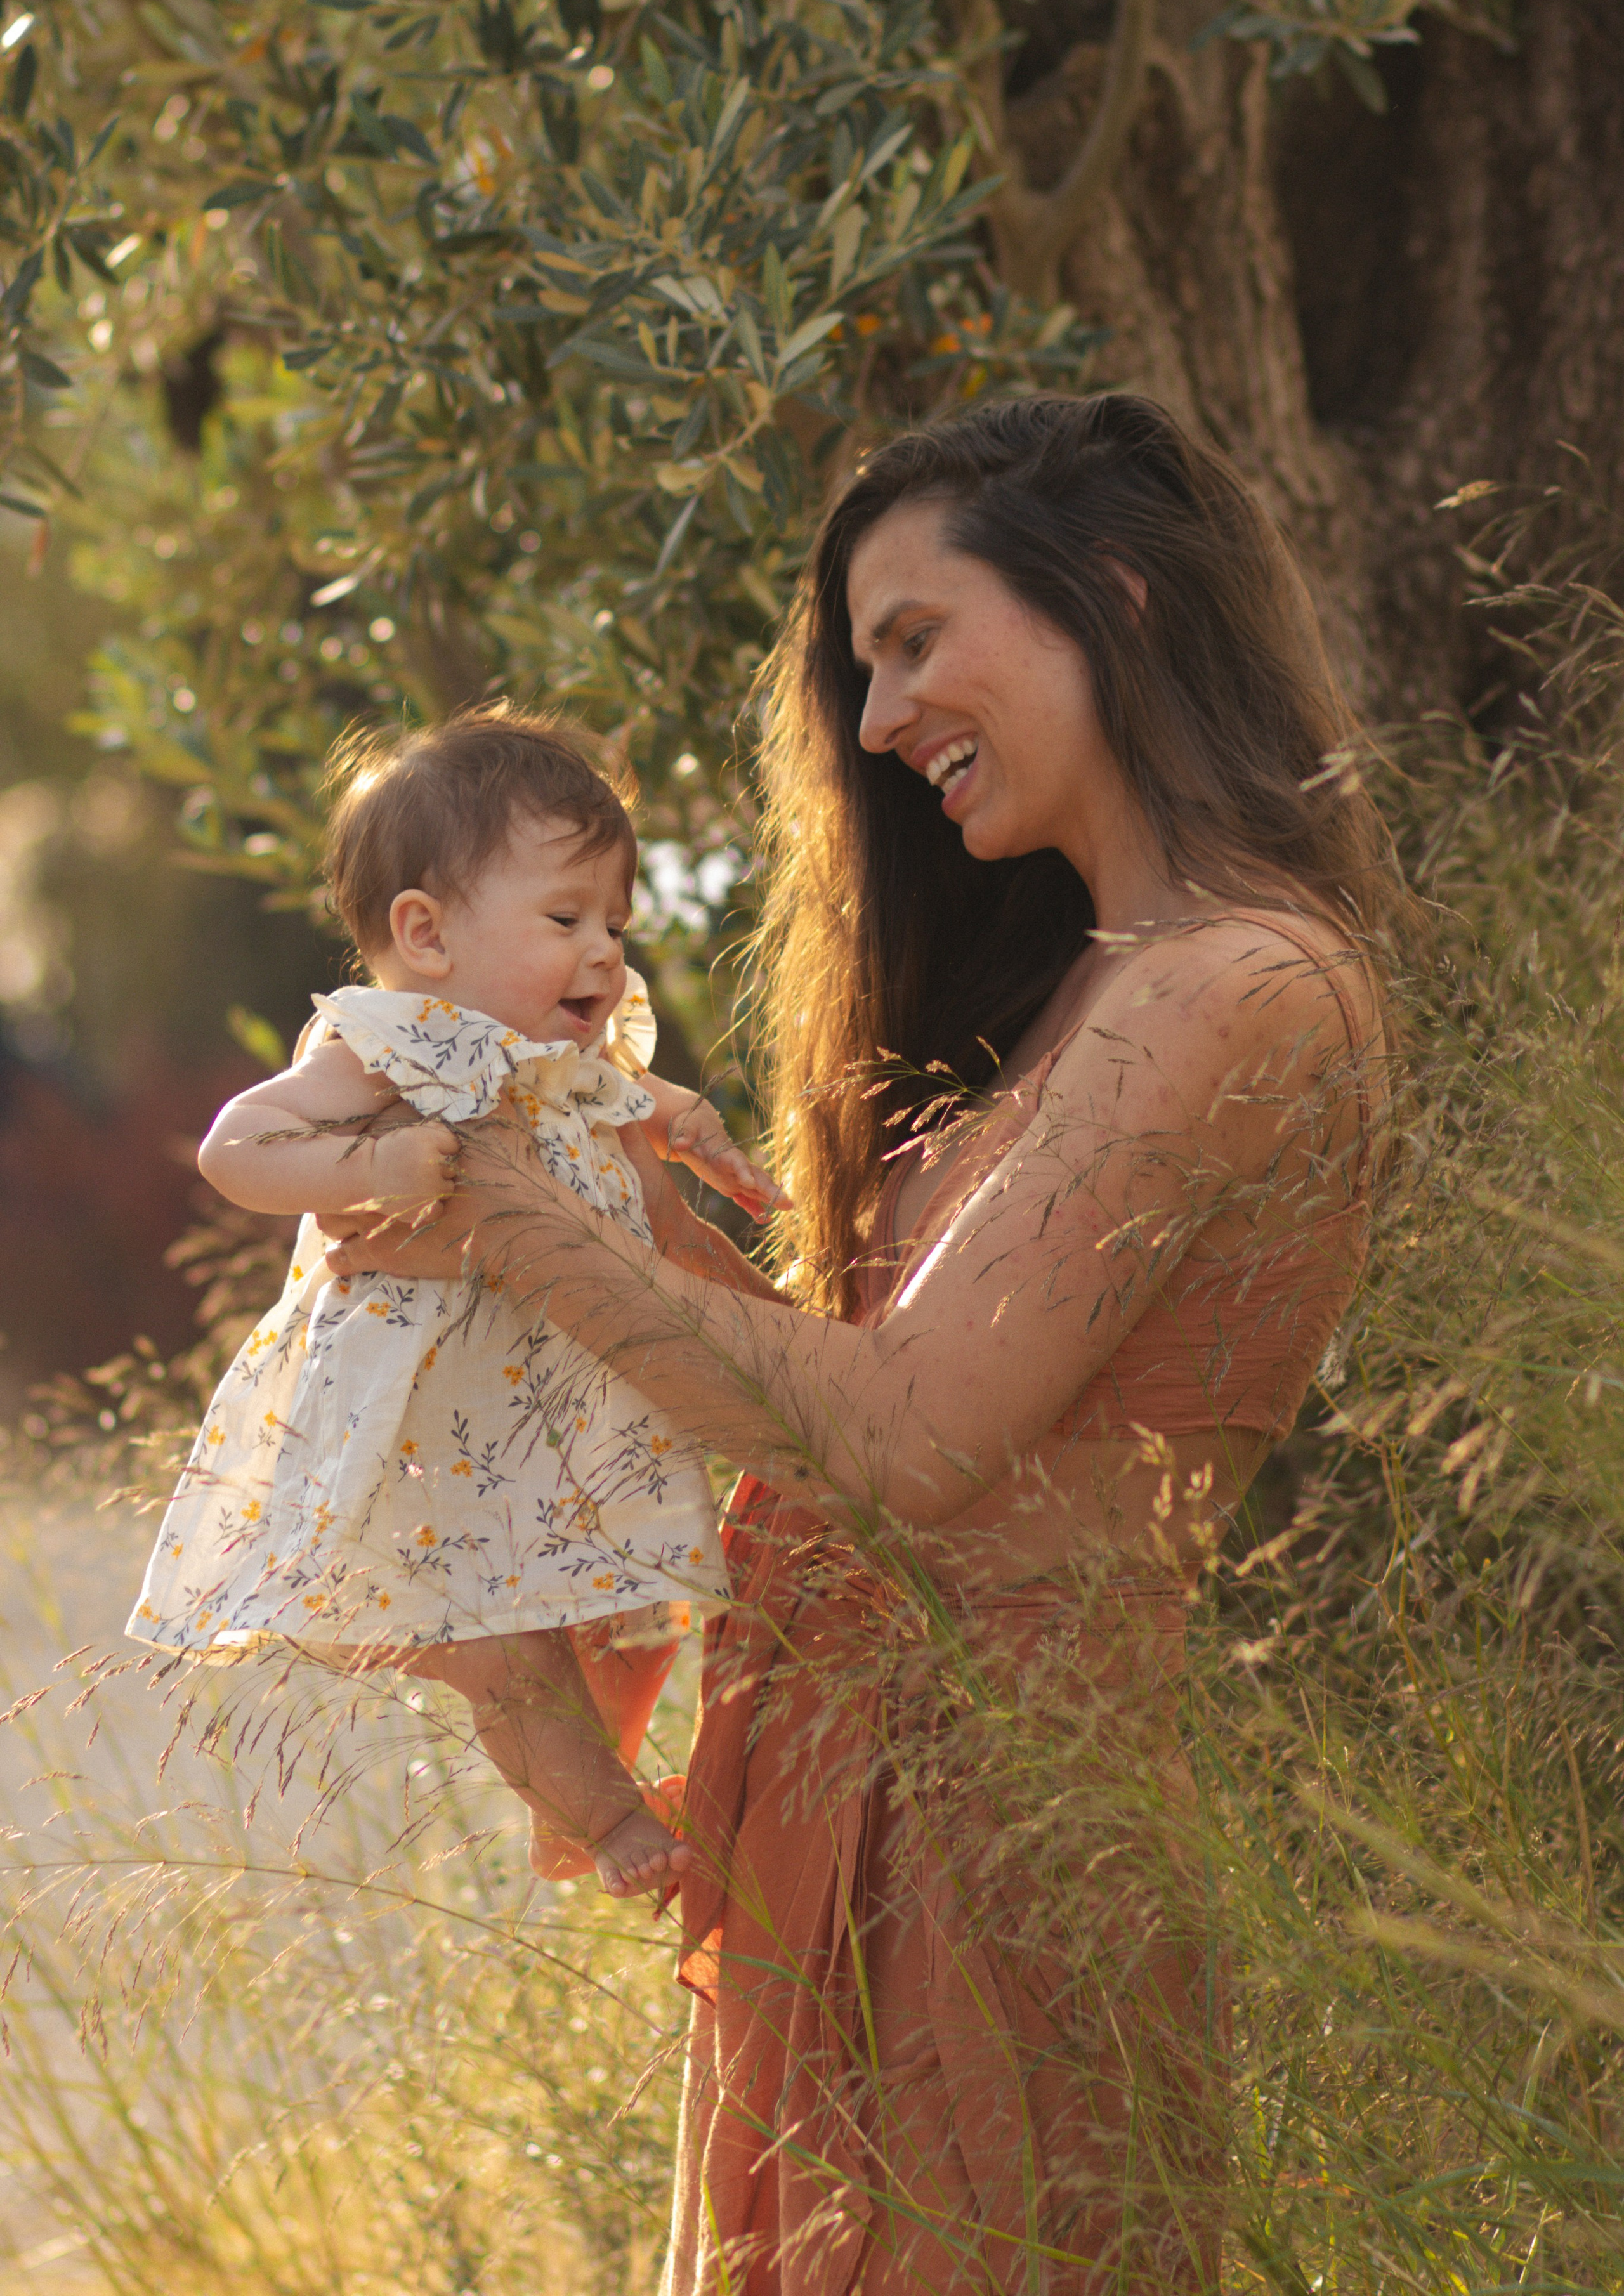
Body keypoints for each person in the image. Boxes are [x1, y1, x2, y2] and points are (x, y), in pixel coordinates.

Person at [324, 394, 1401, 2292]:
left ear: (1120, 599)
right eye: (864, 666)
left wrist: (492, 1192)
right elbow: (827, 1400)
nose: (881, 719)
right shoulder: (1085, 989)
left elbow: (907, 1444)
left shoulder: (1245, 981)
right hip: (841, 1808)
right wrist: (604, 1180)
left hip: (1004, 1838)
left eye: (914, 641)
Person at [127, 707, 783, 1896]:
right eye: (566, 919)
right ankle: (606, 1816)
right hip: (434, 1435)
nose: (604, 954)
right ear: (423, 934)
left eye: (616, 925)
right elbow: (240, 1145)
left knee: (629, 1610)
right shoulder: (387, 1047)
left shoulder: (557, 1054)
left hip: (556, 1411)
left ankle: (583, 1790)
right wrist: (371, 1169)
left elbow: (624, 1098)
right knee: (502, 1647)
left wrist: (685, 1124)